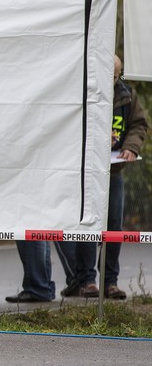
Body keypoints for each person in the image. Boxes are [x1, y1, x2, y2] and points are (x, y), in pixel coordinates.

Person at [60, 55, 147, 299]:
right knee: (88, 224)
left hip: (114, 170)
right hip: (88, 172)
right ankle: (87, 280)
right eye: (107, 74)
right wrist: (98, 139)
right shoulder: (84, 91)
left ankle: (110, 281)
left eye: (115, 75)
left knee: (113, 227)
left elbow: (139, 124)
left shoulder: (127, 95)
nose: (111, 79)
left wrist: (130, 146)